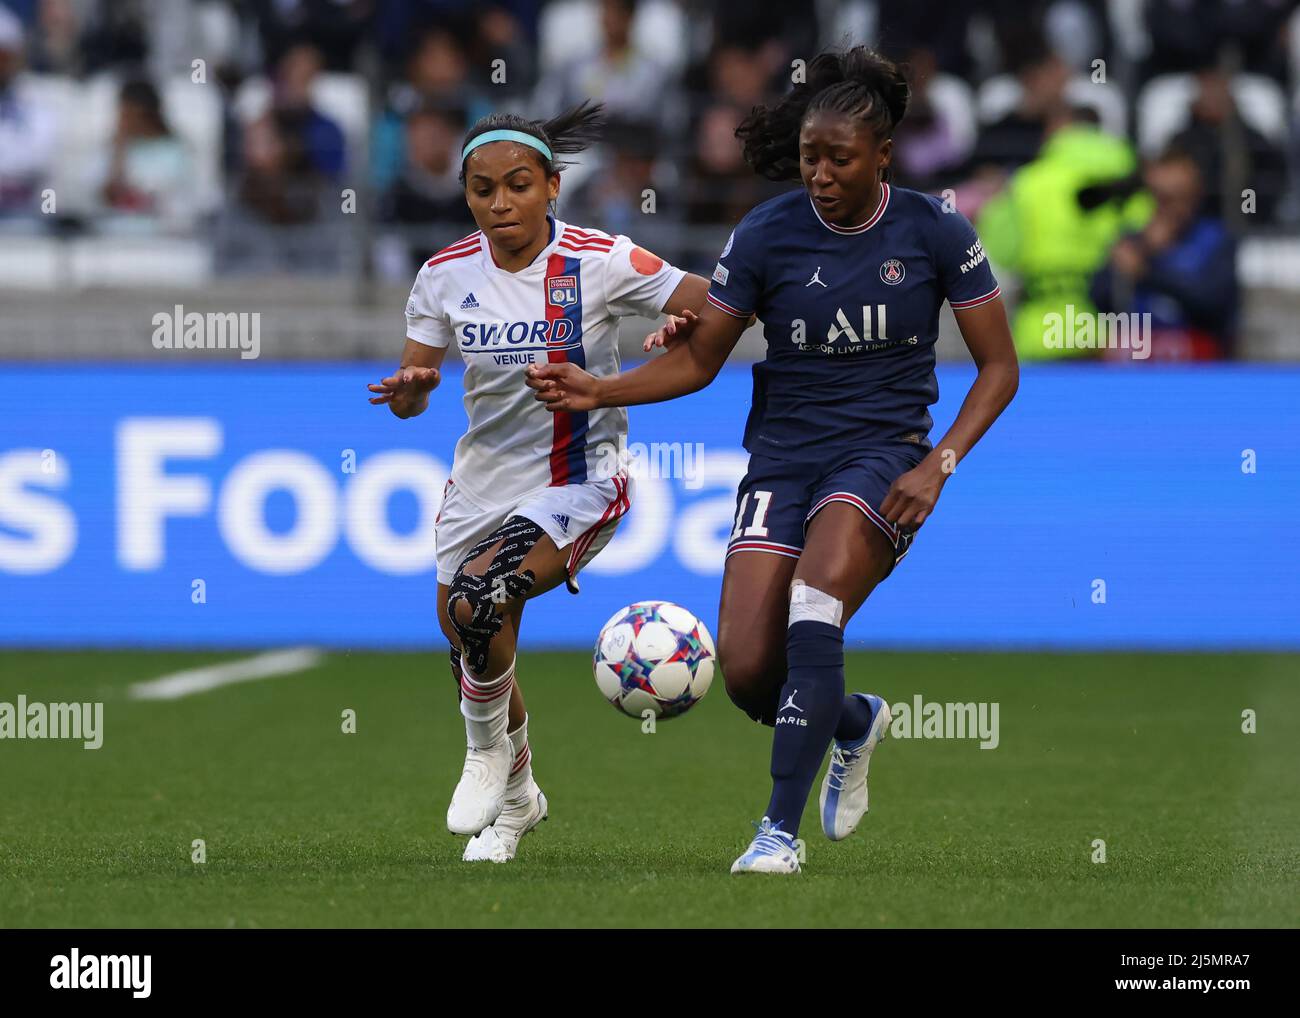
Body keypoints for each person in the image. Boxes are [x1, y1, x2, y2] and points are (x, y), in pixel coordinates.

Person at [526, 48, 1019, 874]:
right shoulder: (765, 233)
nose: (820, 175)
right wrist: (597, 389)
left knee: (814, 605)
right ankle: (854, 722)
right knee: (752, 673)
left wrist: (939, 463)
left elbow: (999, 368)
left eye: (840, 159)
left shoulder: (936, 231)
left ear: (884, 156)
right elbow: (697, 358)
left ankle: (776, 835)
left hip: (879, 457)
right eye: (809, 158)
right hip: (782, 461)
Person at [367, 103, 710, 863]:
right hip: (480, 484)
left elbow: (715, 301)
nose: (501, 204)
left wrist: (683, 324)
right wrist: (410, 391)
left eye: (519, 186)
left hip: (578, 479)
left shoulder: (601, 259)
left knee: (480, 600)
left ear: (551, 186)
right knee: (468, 635)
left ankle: (485, 761)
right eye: (484, 189)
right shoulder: (444, 275)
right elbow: (416, 387)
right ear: (466, 195)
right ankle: (520, 800)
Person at [1091, 148, 1238, 359]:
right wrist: (1142, 250)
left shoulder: (1215, 240)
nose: (1172, 208)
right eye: (1162, 198)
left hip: (1198, 367)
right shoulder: (1133, 240)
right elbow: (1100, 300)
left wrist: (1148, 272)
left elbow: (1212, 303)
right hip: (1138, 365)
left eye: (1181, 197)